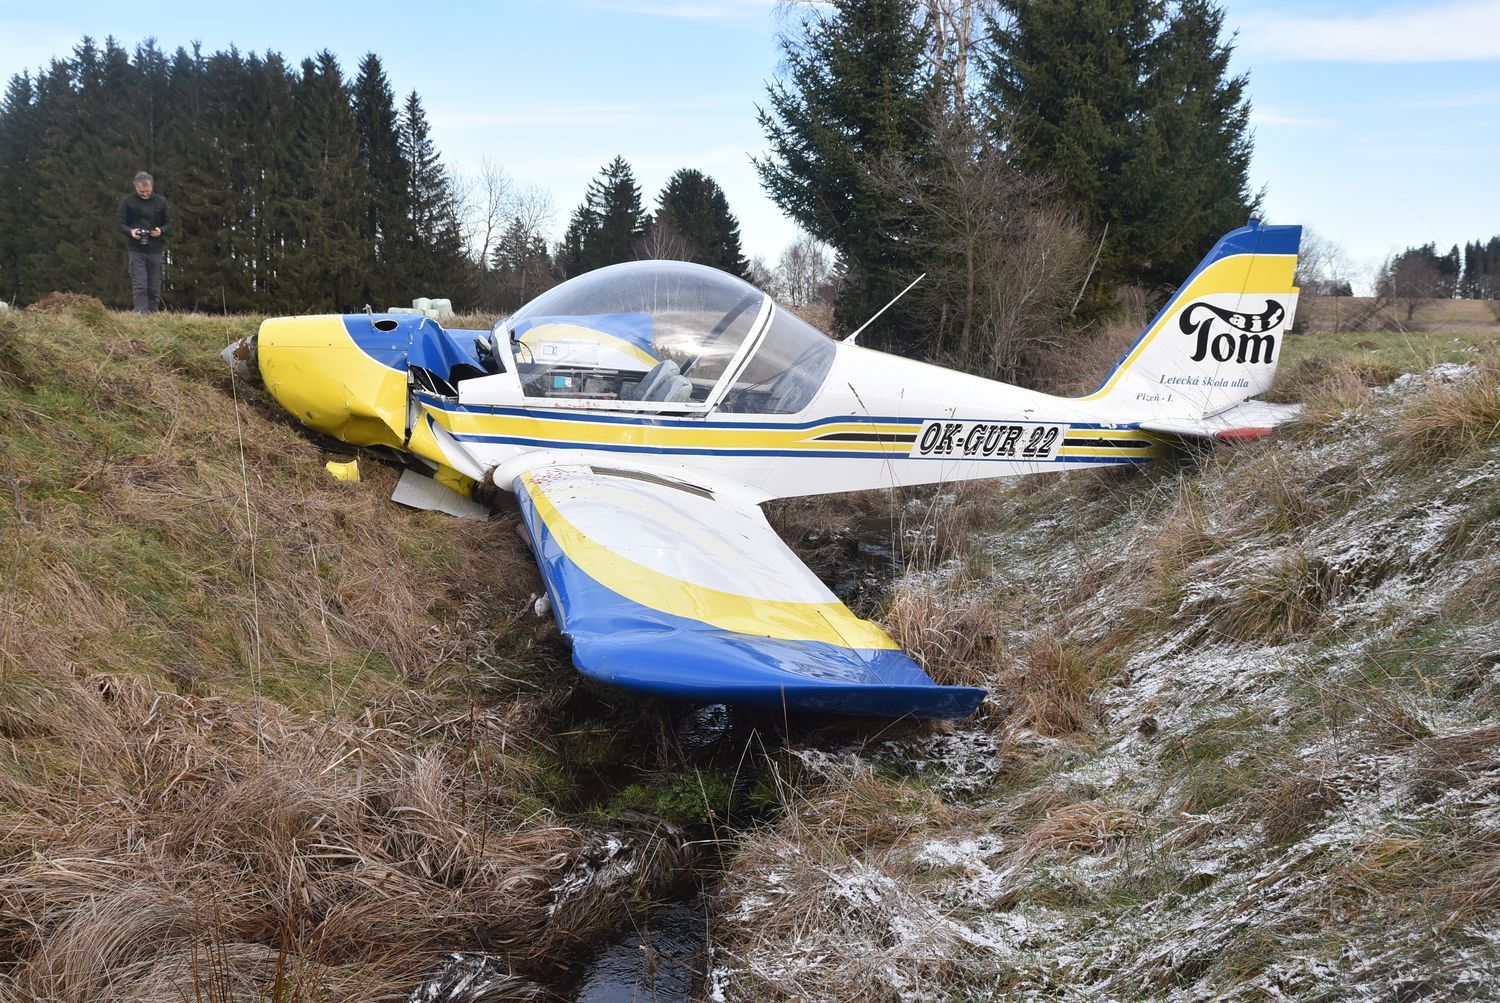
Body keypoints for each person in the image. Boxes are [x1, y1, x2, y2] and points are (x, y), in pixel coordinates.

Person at [117, 171, 171, 313]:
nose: (145, 194)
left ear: (152, 186)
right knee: (140, 285)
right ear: (136, 187)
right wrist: (131, 232)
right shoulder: (127, 201)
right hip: (136, 250)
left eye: (148, 191)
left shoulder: (161, 201)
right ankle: (141, 315)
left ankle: (153, 315)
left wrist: (161, 231)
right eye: (142, 192)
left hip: (156, 250)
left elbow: (168, 223)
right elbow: (121, 223)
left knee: (154, 286)